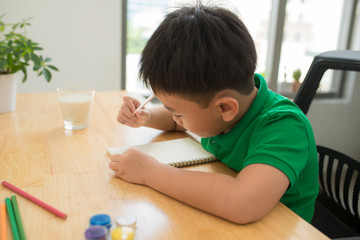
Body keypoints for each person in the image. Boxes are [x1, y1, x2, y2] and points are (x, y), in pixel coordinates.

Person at [109, 1, 319, 224]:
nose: (175, 118)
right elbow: (180, 122)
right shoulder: (224, 110)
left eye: (177, 112)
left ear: (225, 108)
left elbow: (243, 203)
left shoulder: (284, 126)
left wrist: (149, 171)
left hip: (280, 229)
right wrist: (148, 116)